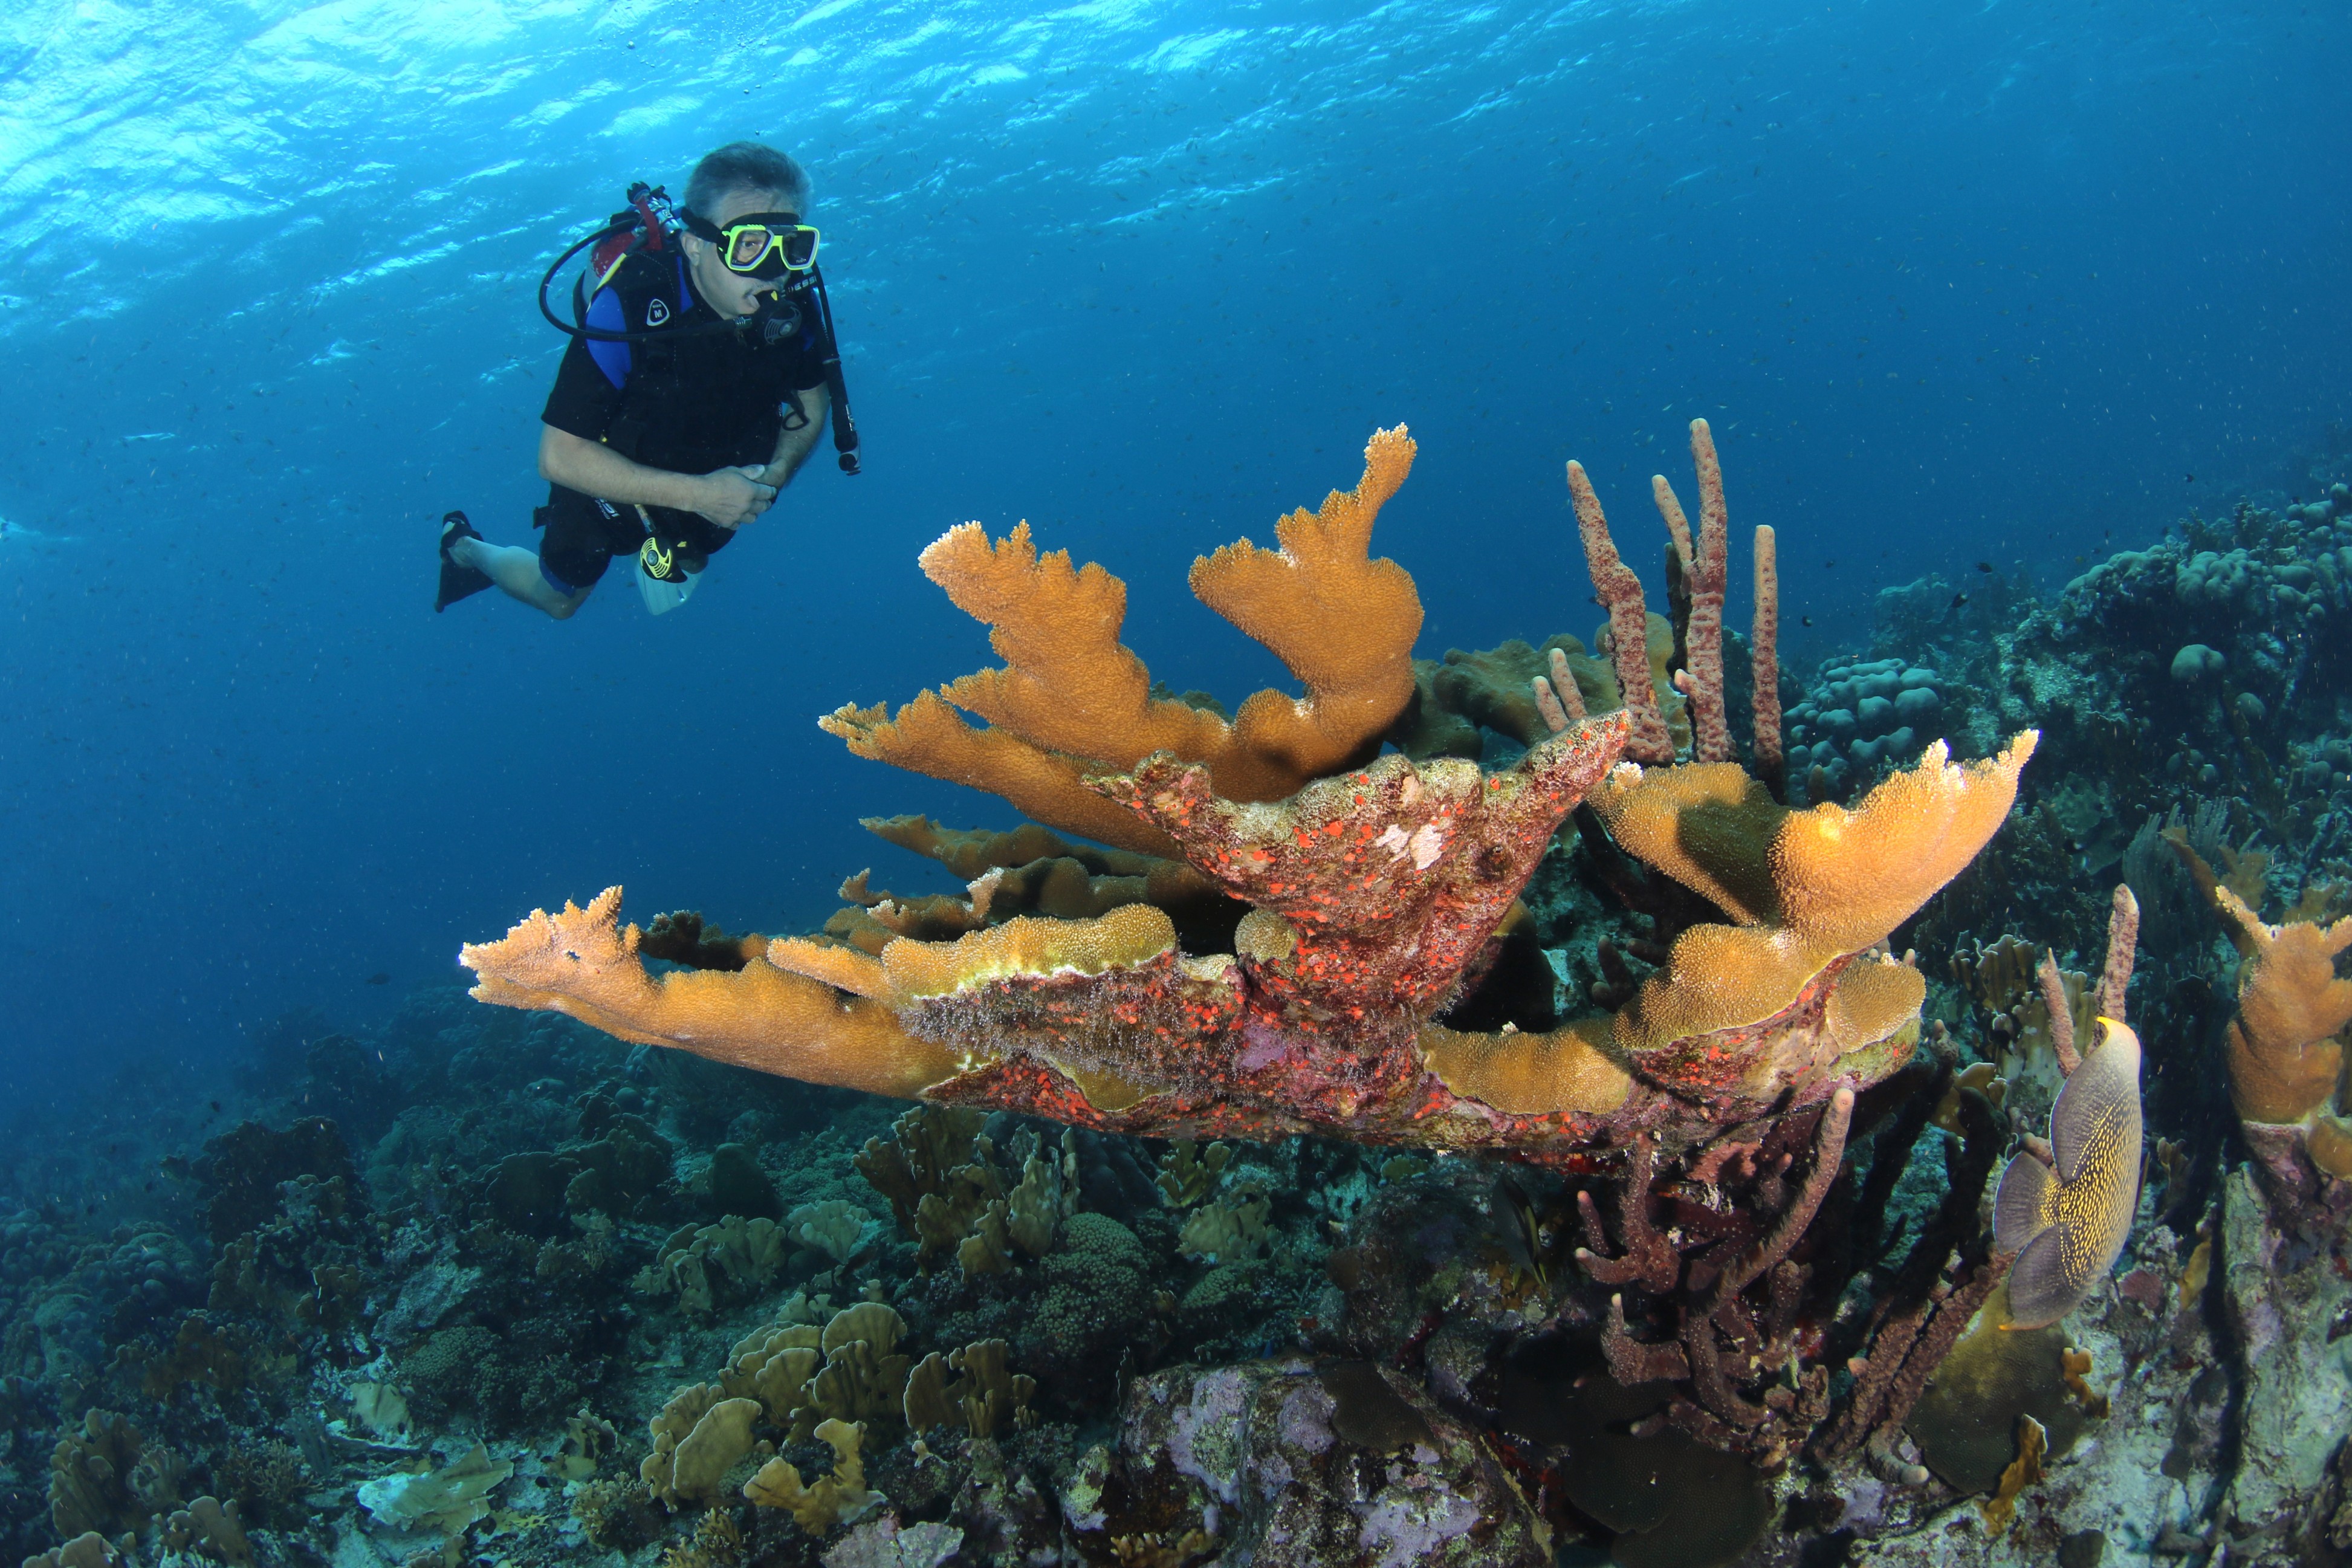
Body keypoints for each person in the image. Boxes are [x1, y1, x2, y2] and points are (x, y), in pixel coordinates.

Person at [436, 142, 835, 618]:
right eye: (749, 245)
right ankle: (463, 548)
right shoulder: (629, 305)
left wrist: (774, 476)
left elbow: (812, 395)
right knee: (560, 600)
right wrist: (699, 495)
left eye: (792, 246)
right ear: (695, 244)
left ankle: (677, 541)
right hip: (609, 470)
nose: (774, 272)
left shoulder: (792, 300)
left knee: (690, 554)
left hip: (717, 463)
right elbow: (558, 456)